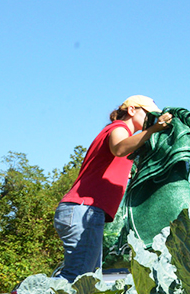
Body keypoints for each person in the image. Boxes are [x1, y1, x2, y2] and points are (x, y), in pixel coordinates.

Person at [54, 95, 173, 282]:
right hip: (83, 209)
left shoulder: (129, 142)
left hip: (86, 211)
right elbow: (119, 148)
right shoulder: (119, 128)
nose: (152, 119)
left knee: (90, 281)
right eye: (148, 114)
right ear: (132, 110)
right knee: (76, 279)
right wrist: (154, 129)